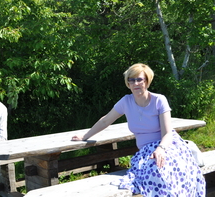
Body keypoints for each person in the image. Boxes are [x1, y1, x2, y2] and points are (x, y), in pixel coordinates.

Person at [72, 63, 205, 196]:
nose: (135, 83)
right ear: (128, 83)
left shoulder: (159, 100)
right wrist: (85, 136)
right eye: (132, 80)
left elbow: (167, 133)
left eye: (139, 79)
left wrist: (160, 149)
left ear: (147, 81)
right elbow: (106, 120)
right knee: (154, 171)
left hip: (167, 146)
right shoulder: (126, 101)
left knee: (166, 172)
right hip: (145, 152)